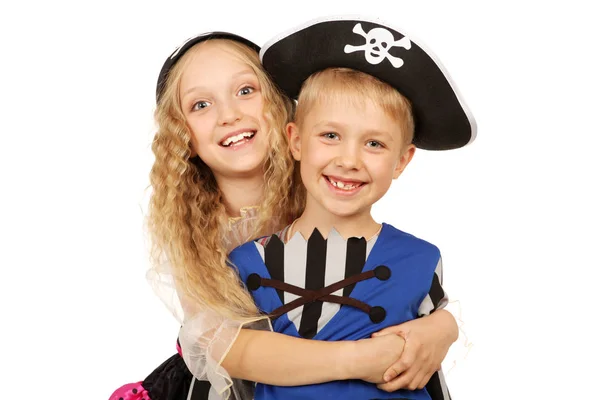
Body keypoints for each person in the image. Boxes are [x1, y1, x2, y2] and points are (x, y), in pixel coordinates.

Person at [110, 29, 459, 400]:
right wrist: (360, 358)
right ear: (182, 135)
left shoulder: (328, 180)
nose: (229, 115)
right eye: (201, 105)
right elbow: (226, 350)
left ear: (280, 107)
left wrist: (444, 327)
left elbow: (406, 280)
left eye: (245, 91)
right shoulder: (192, 231)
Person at [229, 16, 476, 400]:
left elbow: (434, 375)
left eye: (374, 144)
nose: (349, 160)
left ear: (402, 161)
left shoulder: (422, 259)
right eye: (330, 135)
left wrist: (446, 326)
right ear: (295, 141)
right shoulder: (244, 263)